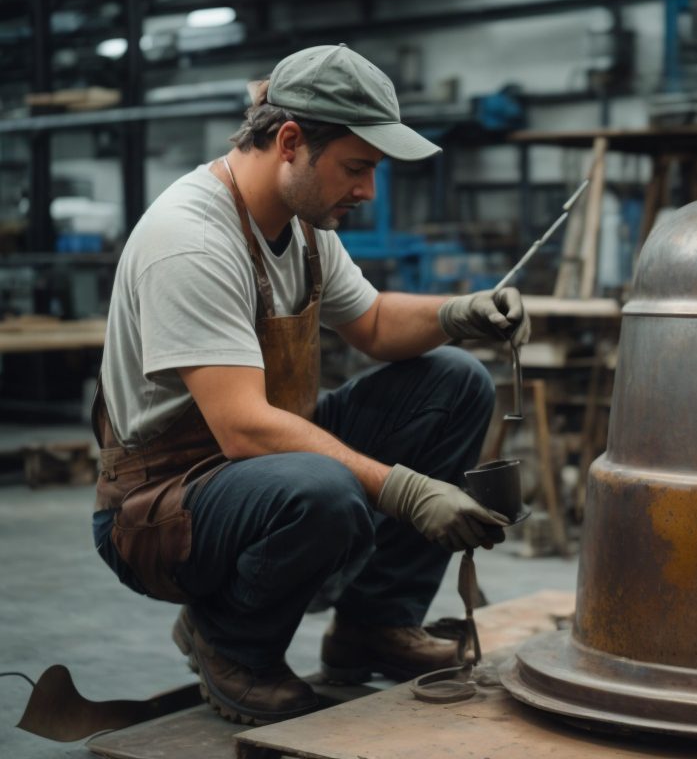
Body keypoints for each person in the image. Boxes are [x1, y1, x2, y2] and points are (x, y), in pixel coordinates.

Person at [90, 44, 530, 726]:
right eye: (357, 169)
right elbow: (243, 428)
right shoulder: (193, 239)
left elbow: (377, 324)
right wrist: (403, 489)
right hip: (163, 503)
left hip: (257, 466)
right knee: (322, 493)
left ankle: (374, 624)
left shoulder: (303, 223)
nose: (367, 192)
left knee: (455, 383)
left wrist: (459, 313)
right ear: (290, 142)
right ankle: (229, 643)